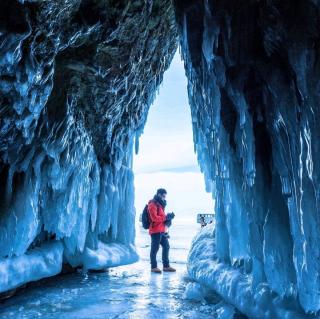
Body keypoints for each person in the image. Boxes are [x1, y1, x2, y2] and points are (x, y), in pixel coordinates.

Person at [148, 188, 176, 273]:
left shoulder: (160, 205)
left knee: (166, 246)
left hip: (162, 230)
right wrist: (166, 217)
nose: (164, 198)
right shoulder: (152, 204)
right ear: (159, 194)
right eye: (163, 196)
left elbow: (162, 218)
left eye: (165, 196)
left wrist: (168, 218)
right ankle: (153, 267)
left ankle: (166, 266)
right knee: (155, 249)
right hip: (155, 231)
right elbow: (154, 218)